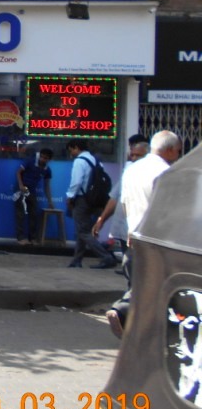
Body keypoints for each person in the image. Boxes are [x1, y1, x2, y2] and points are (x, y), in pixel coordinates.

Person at [105, 130, 182, 338]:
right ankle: (122, 310)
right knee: (154, 284)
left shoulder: (132, 170)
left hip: (134, 236)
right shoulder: (166, 173)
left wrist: (131, 228)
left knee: (140, 281)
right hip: (157, 239)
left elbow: (125, 203)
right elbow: (168, 209)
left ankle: (139, 330)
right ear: (169, 150)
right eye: (177, 150)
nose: (178, 154)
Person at [92, 134, 149, 264]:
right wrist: (101, 220)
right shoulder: (128, 172)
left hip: (144, 231)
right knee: (130, 267)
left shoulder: (156, 173)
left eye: (138, 156)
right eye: (132, 155)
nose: (134, 158)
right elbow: (115, 197)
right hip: (126, 230)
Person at [65, 139, 117, 269]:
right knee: (82, 230)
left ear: (76, 147)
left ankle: (106, 257)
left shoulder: (80, 161)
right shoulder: (96, 161)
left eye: (71, 150)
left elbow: (76, 182)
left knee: (83, 231)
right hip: (94, 199)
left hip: (82, 199)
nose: (71, 153)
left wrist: (70, 196)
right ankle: (77, 260)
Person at [14, 147, 54, 245]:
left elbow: (47, 186)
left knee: (33, 214)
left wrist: (50, 201)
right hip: (21, 189)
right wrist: (21, 185)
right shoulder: (30, 161)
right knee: (21, 214)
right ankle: (21, 238)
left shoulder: (47, 170)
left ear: (49, 159)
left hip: (32, 191)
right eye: (42, 157)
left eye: (45, 158)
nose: (42, 159)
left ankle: (32, 238)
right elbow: (18, 172)